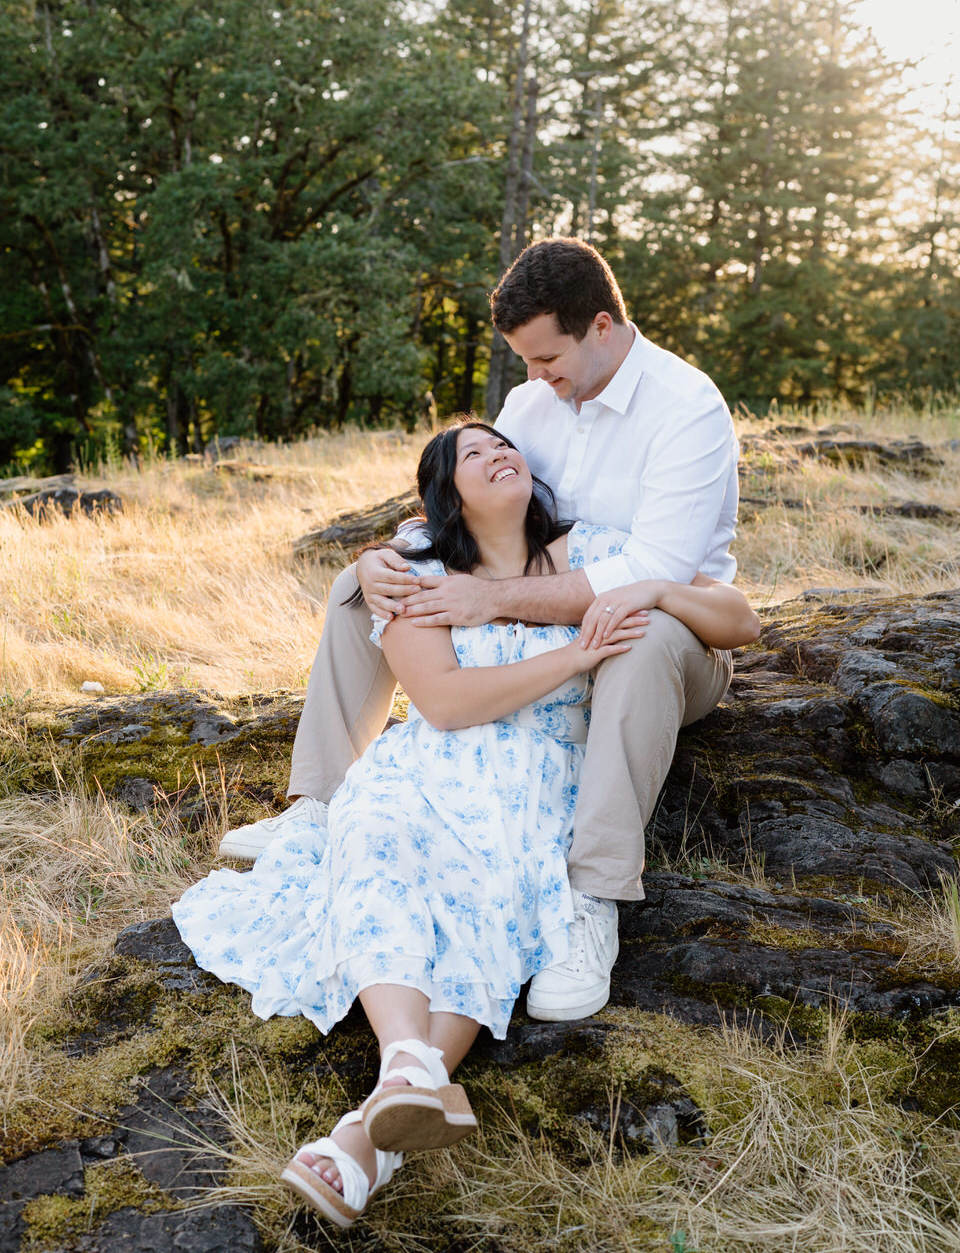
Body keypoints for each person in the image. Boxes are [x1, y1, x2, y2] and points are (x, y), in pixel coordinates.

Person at [174, 422, 759, 1229]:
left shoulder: (596, 548)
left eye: (503, 444)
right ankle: (399, 1083)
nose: (498, 454)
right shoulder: (418, 568)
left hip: (544, 780)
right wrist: (576, 658)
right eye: (472, 455)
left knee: (493, 909)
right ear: (447, 493)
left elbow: (739, 619)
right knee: (379, 855)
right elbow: (443, 703)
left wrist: (650, 592)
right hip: (428, 768)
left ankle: (372, 1124)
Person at [218, 237, 743, 1023]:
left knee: (639, 632)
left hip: (671, 635)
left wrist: (489, 602)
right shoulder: (535, 402)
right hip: (548, 608)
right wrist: (382, 559)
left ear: (601, 326)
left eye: (547, 358)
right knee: (358, 590)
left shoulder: (687, 407)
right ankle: (319, 807)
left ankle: (591, 898)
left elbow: (648, 574)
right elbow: (477, 501)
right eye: (525, 362)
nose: (535, 379)